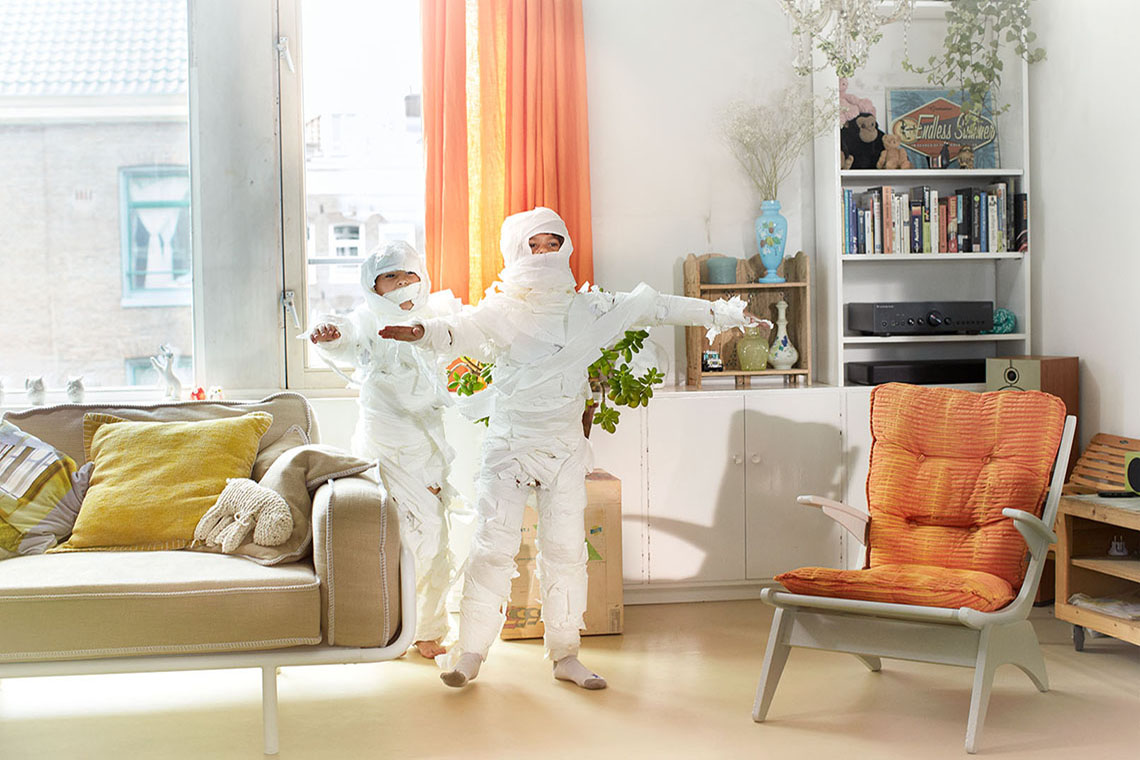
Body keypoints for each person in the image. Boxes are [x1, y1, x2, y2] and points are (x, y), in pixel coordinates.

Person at [379, 208, 753, 689]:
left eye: (551, 244)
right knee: (492, 548)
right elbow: (459, 330)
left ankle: (566, 655)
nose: (543, 254)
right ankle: (470, 652)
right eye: (532, 246)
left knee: (566, 551)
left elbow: (656, 307)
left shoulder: (588, 308)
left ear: (566, 247)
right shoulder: (501, 310)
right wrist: (421, 333)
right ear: (515, 251)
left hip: (563, 450)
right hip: (510, 447)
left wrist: (725, 313)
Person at [309, 240, 464, 660]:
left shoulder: (436, 318)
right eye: (390, 276)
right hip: (382, 448)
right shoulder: (367, 320)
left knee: (433, 535)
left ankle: (428, 628)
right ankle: (389, 626)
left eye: (408, 274)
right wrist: (329, 335)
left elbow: (468, 336)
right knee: (392, 539)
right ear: (372, 286)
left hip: (426, 450)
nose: (401, 283)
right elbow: (344, 335)